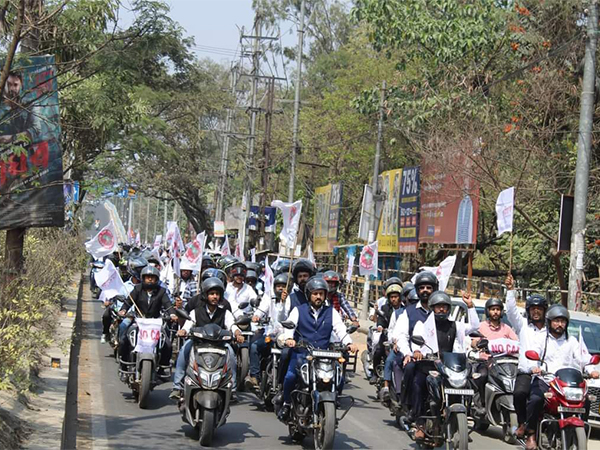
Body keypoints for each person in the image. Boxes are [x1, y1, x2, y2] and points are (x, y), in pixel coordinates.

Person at [392, 276, 479, 440]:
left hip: (448, 367)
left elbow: (474, 327)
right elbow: (415, 339)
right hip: (427, 366)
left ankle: (467, 413)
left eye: (444, 307)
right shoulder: (422, 323)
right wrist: (415, 352)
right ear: (433, 308)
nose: (441, 310)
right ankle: (419, 422)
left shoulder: (455, 324)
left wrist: (470, 306)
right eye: (438, 307)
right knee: (418, 383)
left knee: (471, 379)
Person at [277, 277, 358, 422]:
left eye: (321, 293)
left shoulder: (331, 312)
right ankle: (287, 404)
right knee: (290, 377)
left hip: (324, 355)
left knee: (338, 378)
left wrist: (349, 343)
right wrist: (289, 339)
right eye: (315, 293)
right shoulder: (298, 310)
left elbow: (340, 329)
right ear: (309, 295)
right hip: (302, 353)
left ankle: (333, 401)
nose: (318, 296)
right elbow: (290, 325)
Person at [523, 305, 599, 450]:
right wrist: (534, 367)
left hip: (568, 383)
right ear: (549, 322)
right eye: (556, 321)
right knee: (536, 399)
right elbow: (532, 356)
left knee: (586, 401)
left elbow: (584, 359)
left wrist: (591, 369)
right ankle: (531, 434)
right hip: (547, 380)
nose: (559, 324)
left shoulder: (572, 342)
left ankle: (579, 434)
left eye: (563, 321)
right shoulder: (541, 339)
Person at [169, 277, 244, 400]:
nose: (215, 297)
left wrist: (237, 333)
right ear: (205, 295)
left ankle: (233, 389)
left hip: (219, 345)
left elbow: (232, 325)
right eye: (212, 294)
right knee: (183, 351)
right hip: (198, 343)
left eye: (217, 294)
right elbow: (189, 324)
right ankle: (177, 387)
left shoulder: (224, 312)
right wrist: (183, 331)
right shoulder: (195, 311)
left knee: (231, 356)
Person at [505, 273, 550, 440]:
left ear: (545, 311)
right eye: (533, 309)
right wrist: (510, 290)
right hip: (525, 372)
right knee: (519, 394)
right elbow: (510, 311)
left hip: (545, 375)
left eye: (539, 309)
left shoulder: (550, 330)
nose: (536, 312)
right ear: (529, 311)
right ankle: (523, 423)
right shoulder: (522, 325)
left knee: (537, 400)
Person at [118, 266, 175, 379]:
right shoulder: (137, 289)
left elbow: (168, 304)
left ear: (156, 279)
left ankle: (162, 368)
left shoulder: (161, 291)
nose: (150, 280)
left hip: (155, 323)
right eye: (147, 277)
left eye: (152, 278)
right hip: (139, 321)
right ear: (143, 278)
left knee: (167, 343)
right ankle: (124, 366)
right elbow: (129, 301)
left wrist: (172, 314)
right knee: (124, 339)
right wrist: (123, 310)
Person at [470, 297, 518, 414]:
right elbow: (473, 342)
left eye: (497, 309)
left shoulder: (506, 328)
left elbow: (516, 342)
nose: (495, 312)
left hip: (503, 363)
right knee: (482, 375)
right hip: (485, 362)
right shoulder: (481, 326)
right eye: (492, 309)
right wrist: (478, 344)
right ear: (488, 311)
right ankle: (480, 403)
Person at [245, 272, 290, 391]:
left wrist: (283, 302)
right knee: (254, 346)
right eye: (278, 285)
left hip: (287, 336)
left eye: (283, 285)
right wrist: (256, 316)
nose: (281, 288)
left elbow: (283, 317)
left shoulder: (291, 299)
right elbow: (261, 309)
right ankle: (254, 376)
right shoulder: (268, 296)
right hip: (270, 333)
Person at [373, 284, 405, 399]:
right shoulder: (386, 309)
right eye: (392, 297)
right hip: (389, 339)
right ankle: (384, 385)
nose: (394, 299)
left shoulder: (405, 310)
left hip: (406, 343)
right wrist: (381, 327)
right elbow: (388, 326)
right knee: (382, 353)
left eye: (396, 297)